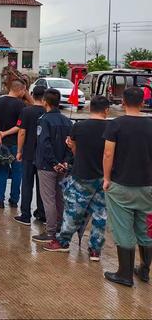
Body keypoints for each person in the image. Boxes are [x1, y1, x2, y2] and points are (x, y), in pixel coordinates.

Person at [44, 95, 110, 261]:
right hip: (104, 177)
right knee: (100, 214)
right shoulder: (112, 127)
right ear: (107, 110)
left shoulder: (79, 127)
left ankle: (63, 242)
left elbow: (72, 146)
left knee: (74, 211)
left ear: (89, 108)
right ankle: (95, 250)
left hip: (82, 174)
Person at [102, 87, 152, 287]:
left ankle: (124, 274)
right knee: (146, 228)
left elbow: (108, 153)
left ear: (122, 101)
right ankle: (145, 270)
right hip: (148, 186)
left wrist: (106, 178)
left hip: (121, 185)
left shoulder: (116, 125)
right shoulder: (151, 124)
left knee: (123, 228)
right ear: (143, 102)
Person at [33, 88, 73, 243]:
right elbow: (71, 144)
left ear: (45, 102)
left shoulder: (43, 120)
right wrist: (65, 161)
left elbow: (44, 144)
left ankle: (50, 232)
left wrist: (54, 163)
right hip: (62, 166)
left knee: (48, 199)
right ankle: (60, 228)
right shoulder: (67, 121)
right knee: (59, 198)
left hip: (47, 166)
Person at [0, 80, 29, 208]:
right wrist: (5, 133)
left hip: (1, 144)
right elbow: (20, 126)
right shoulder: (22, 105)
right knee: (17, 172)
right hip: (16, 144)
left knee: (2, 170)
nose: (24, 93)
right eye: (24, 91)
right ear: (20, 90)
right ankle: (14, 200)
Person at [14, 85, 46, 225]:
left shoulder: (26, 111)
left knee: (27, 184)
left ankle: (25, 215)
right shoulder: (47, 112)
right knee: (42, 186)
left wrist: (19, 151)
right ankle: (42, 213)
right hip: (43, 155)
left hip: (28, 153)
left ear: (32, 94)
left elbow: (22, 132)